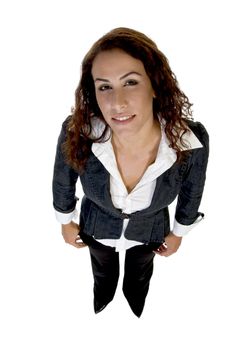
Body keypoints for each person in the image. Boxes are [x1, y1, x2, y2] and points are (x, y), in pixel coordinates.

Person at [52, 27, 209, 317]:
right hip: (96, 225)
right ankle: (104, 296)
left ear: (154, 85)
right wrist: (65, 220)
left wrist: (179, 232)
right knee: (102, 268)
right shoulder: (79, 130)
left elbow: (192, 190)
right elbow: (64, 178)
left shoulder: (190, 139)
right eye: (104, 86)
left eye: (131, 82)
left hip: (150, 230)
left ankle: (135, 299)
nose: (117, 103)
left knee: (140, 271)